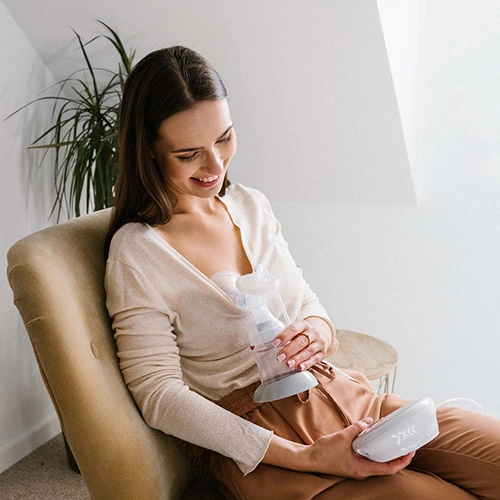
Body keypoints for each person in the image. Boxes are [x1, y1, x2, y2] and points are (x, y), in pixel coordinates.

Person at [104, 46, 500, 500]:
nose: (215, 165)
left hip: (347, 398)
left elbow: (307, 304)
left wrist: (316, 331)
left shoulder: (250, 206)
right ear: (149, 151)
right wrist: (308, 457)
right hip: (269, 447)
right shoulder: (138, 253)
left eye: (224, 138)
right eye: (189, 154)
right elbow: (158, 394)